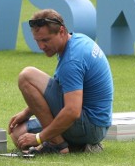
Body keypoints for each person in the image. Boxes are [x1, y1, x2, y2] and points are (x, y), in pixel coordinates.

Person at [8, 9, 114, 155]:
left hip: (90, 126)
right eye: (37, 41)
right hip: (97, 126)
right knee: (18, 134)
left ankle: (58, 145)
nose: (41, 46)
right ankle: (77, 146)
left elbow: (72, 111)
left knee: (27, 76)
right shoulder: (77, 41)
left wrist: (39, 138)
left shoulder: (72, 60)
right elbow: (61, 90)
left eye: (45, 40)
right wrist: (27, 112)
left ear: (62, 31)